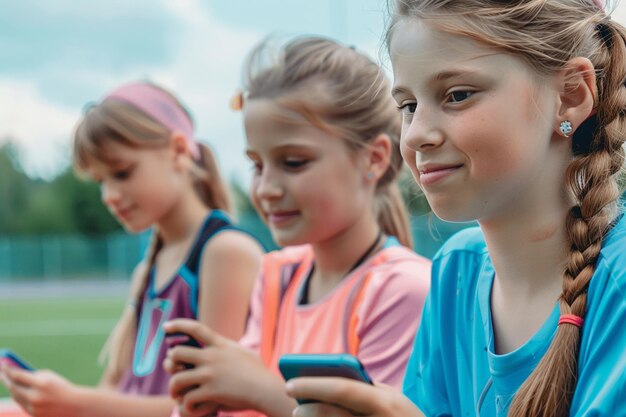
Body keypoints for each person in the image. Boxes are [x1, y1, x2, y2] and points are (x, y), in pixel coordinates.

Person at [285, 1, 626, 416]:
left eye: (457, 95)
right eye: (408, 106)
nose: (416, 137)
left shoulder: (618, 284)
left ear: (570, 97)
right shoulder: (455, 272)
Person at [163, 36, 431, 417]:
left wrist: (259, 389)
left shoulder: (403, 289)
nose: (266, 188)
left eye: (293, 162)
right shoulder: (277, 274)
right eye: (257, 165)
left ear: (373, 159)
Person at [0, 81, 264, 417]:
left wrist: (75, 404)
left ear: (179, 151)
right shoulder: (150, 267)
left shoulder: (225, 253)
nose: (109, 195)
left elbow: (213, 405)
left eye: (122, 173)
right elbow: (114, 389)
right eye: (100, 181)